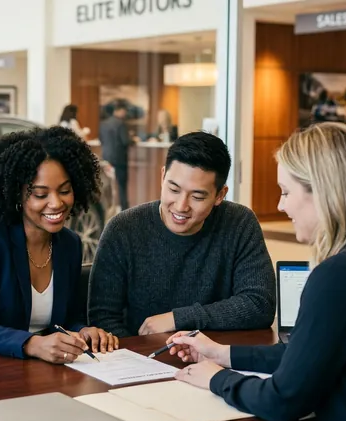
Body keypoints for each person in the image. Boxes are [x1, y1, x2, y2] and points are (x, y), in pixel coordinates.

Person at [168, 123, 346, 421]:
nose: (281, 206)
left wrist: (216, 378)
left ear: (324, 191)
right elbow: (303, 355)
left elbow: (284, 399)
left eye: (286, 192)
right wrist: (221, 353)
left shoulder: (341, 275)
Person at [0, 127, 119, 363]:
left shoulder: (69, 244)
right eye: (40, 194)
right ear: (16, 195)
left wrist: (82, 331)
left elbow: (65, 318)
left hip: (20, 372)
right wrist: (32, 344)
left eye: (65, 191)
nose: (56, 203)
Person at [89, 131, 275, 337]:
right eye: (174, 190)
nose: (181, 206)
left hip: (212, 360)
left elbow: (260, 304)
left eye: (197, 196)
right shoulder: (123, 229)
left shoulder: (239, 223)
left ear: (220, 195)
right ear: (162, 176)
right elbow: (103, 319)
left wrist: (177, 319)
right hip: (140, 360)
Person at [99, 103, 132, 210]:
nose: (125, 113)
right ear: (119, 110)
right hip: (120, 159)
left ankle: (108, 209)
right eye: (124, 111)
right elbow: (125, 141)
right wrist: (133, 139)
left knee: (107, 186)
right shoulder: (121, 124)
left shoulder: (103, 124)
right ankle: (124, 209)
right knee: (122, 186)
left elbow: (101, 140)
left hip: (107, 158)